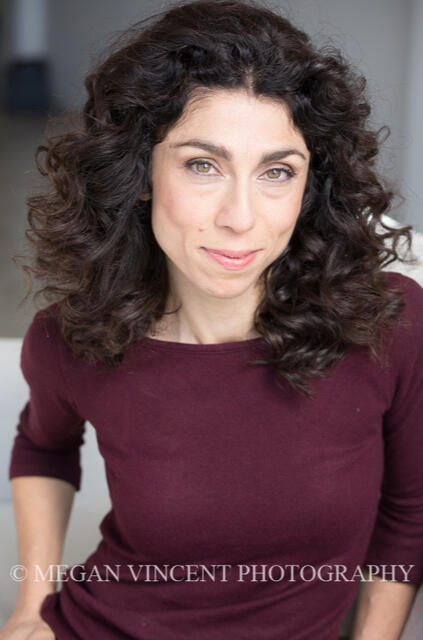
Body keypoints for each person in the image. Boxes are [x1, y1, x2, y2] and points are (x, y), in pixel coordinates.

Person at [2, 0, 423, 638]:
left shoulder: (388, 323)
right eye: (203, 165)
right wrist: (31, 608)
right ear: (142, 171)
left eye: (277, 172)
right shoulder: (75, 335)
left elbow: (410, 511)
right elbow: (43, 445)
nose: (241, 218)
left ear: (310, 185)